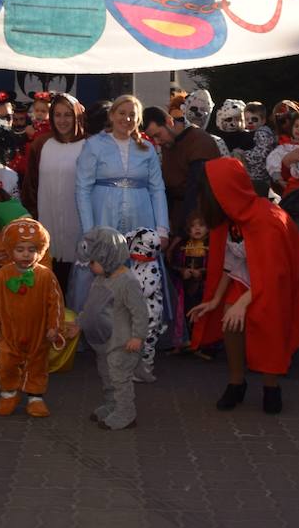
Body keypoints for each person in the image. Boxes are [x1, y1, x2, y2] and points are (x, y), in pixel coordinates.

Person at [189, 158, 299, 415]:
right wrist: (218, 300)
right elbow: (231, 265)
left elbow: (275, 275)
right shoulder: (228, 219)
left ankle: (271, 386)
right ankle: (236, 382)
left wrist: (243, 303)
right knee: (230, 314)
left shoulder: (268, 219)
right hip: (251, 277)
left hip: (282, 282)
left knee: (266, 315)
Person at [74, 95, 168, 309]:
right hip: (103, 215)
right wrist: (89, 230)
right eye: (122, 113)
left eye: (132, 115)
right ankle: (101, 329)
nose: (127, 119)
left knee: (139, 273)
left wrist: (162, 229)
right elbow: (82, 187)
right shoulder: (94, 145)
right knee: (103, 267)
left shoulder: (147, 148)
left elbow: (157, 189)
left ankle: (137, 327)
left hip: (141, 216)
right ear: (112, 115)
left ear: (139, 119)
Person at [0, 217, 65, 418]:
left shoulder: (46, 276)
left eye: (31, 249)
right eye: (20, 250)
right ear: (11, 250)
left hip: (38, 332)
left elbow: (56, 303)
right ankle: (8, 393)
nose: (26, 254)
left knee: (37, 363)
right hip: (9, 333)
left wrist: (54, 327)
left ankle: (35, 397)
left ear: (40, 250)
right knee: (6, 363)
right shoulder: (2, 275)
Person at [73, 227, 147, 431]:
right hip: (104, 341)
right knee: (107, 374)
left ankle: (126, 412)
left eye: (93, 262)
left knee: (119, 376)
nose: (90, 267)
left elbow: (140, 312)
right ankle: (112, 404)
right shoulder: (101, 278)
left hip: (122, 342)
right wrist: (79, 323)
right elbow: (91, 306)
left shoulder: (127, 282)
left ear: (108, 256)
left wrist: (138, 336)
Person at [20, 93, 87, 293]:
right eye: (57, 115)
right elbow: (30, 184)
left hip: (79, 227)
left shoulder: (89, 145)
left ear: (76, 116)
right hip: (47, 224)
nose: (62, 120)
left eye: (68, 115)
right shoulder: (40, 144)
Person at [141, 105, 220, 245]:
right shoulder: (168, 144)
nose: (157, 142)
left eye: (158, 135)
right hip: (176, 218)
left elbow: (195, 190)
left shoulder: (200, 141)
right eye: (153, 138)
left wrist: (181, 234)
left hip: (197, 224)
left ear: (169, 121)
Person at [127, 228, 167, 381]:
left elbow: (144, 291)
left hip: (150, 314)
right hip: (138, 313)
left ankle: (145, 370)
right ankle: (135, 368)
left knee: (147, 344)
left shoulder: (152, 268)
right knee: (135, 341)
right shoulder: (137, 264)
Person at [170, 214, 211, 351]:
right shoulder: (182, 246)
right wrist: (182, 271)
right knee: (185, 312)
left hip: (204, 288)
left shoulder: (211, 246)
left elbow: (217, 266)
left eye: (201, 225)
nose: (197, 229)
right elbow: (172, 264)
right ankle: (186, 341)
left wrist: (203, 272)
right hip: (185, 288)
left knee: (202, 314)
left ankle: (202, 343)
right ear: (188, 230)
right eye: (193, 226)